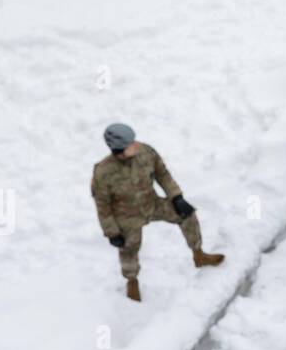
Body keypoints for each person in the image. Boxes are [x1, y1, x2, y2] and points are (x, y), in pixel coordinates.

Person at [90, 122, 225, 302]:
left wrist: (176, 197)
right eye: (131, 145)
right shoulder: (103, 172)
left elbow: (163, 174)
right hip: (127, 217)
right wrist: (112, 232)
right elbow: (103, 206)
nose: (136, 145)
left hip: (151, 204)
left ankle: (198, 254)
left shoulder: (145, 152)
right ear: (118, 151)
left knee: (187, 215)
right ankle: (132, 281)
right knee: (129, 249)